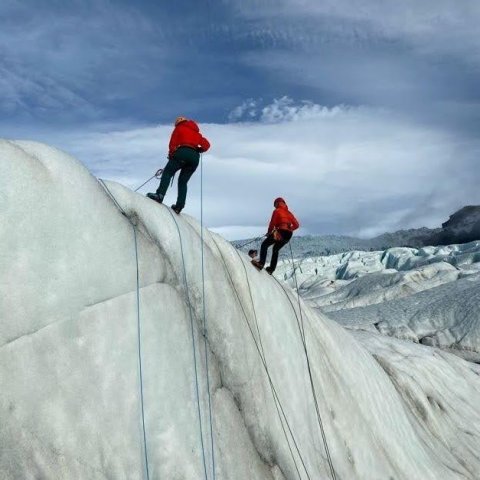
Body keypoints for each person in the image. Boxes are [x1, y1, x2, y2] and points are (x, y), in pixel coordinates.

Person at [147, 116, 210, 214]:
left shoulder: (179, 128)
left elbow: (173, 143)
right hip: (194, 157)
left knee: (168, 173)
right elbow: (207, 145)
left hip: (182, 152)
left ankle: (160, 195)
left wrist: (171, 155)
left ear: (178, 123)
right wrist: (199, 149)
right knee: (183, 182)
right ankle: (179, 206)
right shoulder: (197, 134)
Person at [251, 197, 299, 274]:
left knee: (264, 245)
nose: (275, 206)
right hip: (289, 234)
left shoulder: (277, 211)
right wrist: (290, 228)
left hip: (280, 232)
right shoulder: (289, 213)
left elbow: (272, 223)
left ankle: (261, 263)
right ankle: (271, 269)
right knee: (276, 249)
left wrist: (269, 232)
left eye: (275, 205)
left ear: (277, 203)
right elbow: (297, 225)